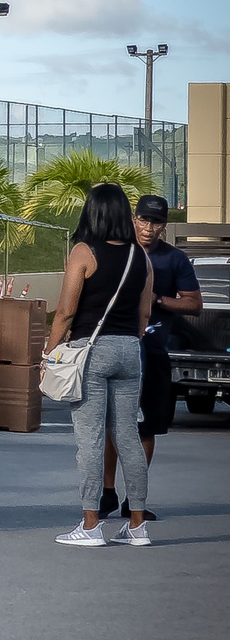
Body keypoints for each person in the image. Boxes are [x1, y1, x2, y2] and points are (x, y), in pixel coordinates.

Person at [45, 183, 154, 547]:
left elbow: (65, 310)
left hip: (91, 350)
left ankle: (91, 525)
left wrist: (49, 354)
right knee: (128, 436)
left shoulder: (83, 252)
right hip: (130, 350)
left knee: (89, 439)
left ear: (91, 212)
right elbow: (144, 313)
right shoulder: (142, 256)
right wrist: (129, 340)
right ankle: (137, 525)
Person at [100, 194, 202, 521]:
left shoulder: (175, 259)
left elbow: (194, 304)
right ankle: (106, 493)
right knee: (111, 425)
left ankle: (135, 499)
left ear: (164, 226)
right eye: (143, 220)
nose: (148, 228)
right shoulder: (117, 250)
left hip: (154, 351)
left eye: (155, 222)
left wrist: (158, 299)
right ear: (133, 219)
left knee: (147, 428)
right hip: (116, 347)